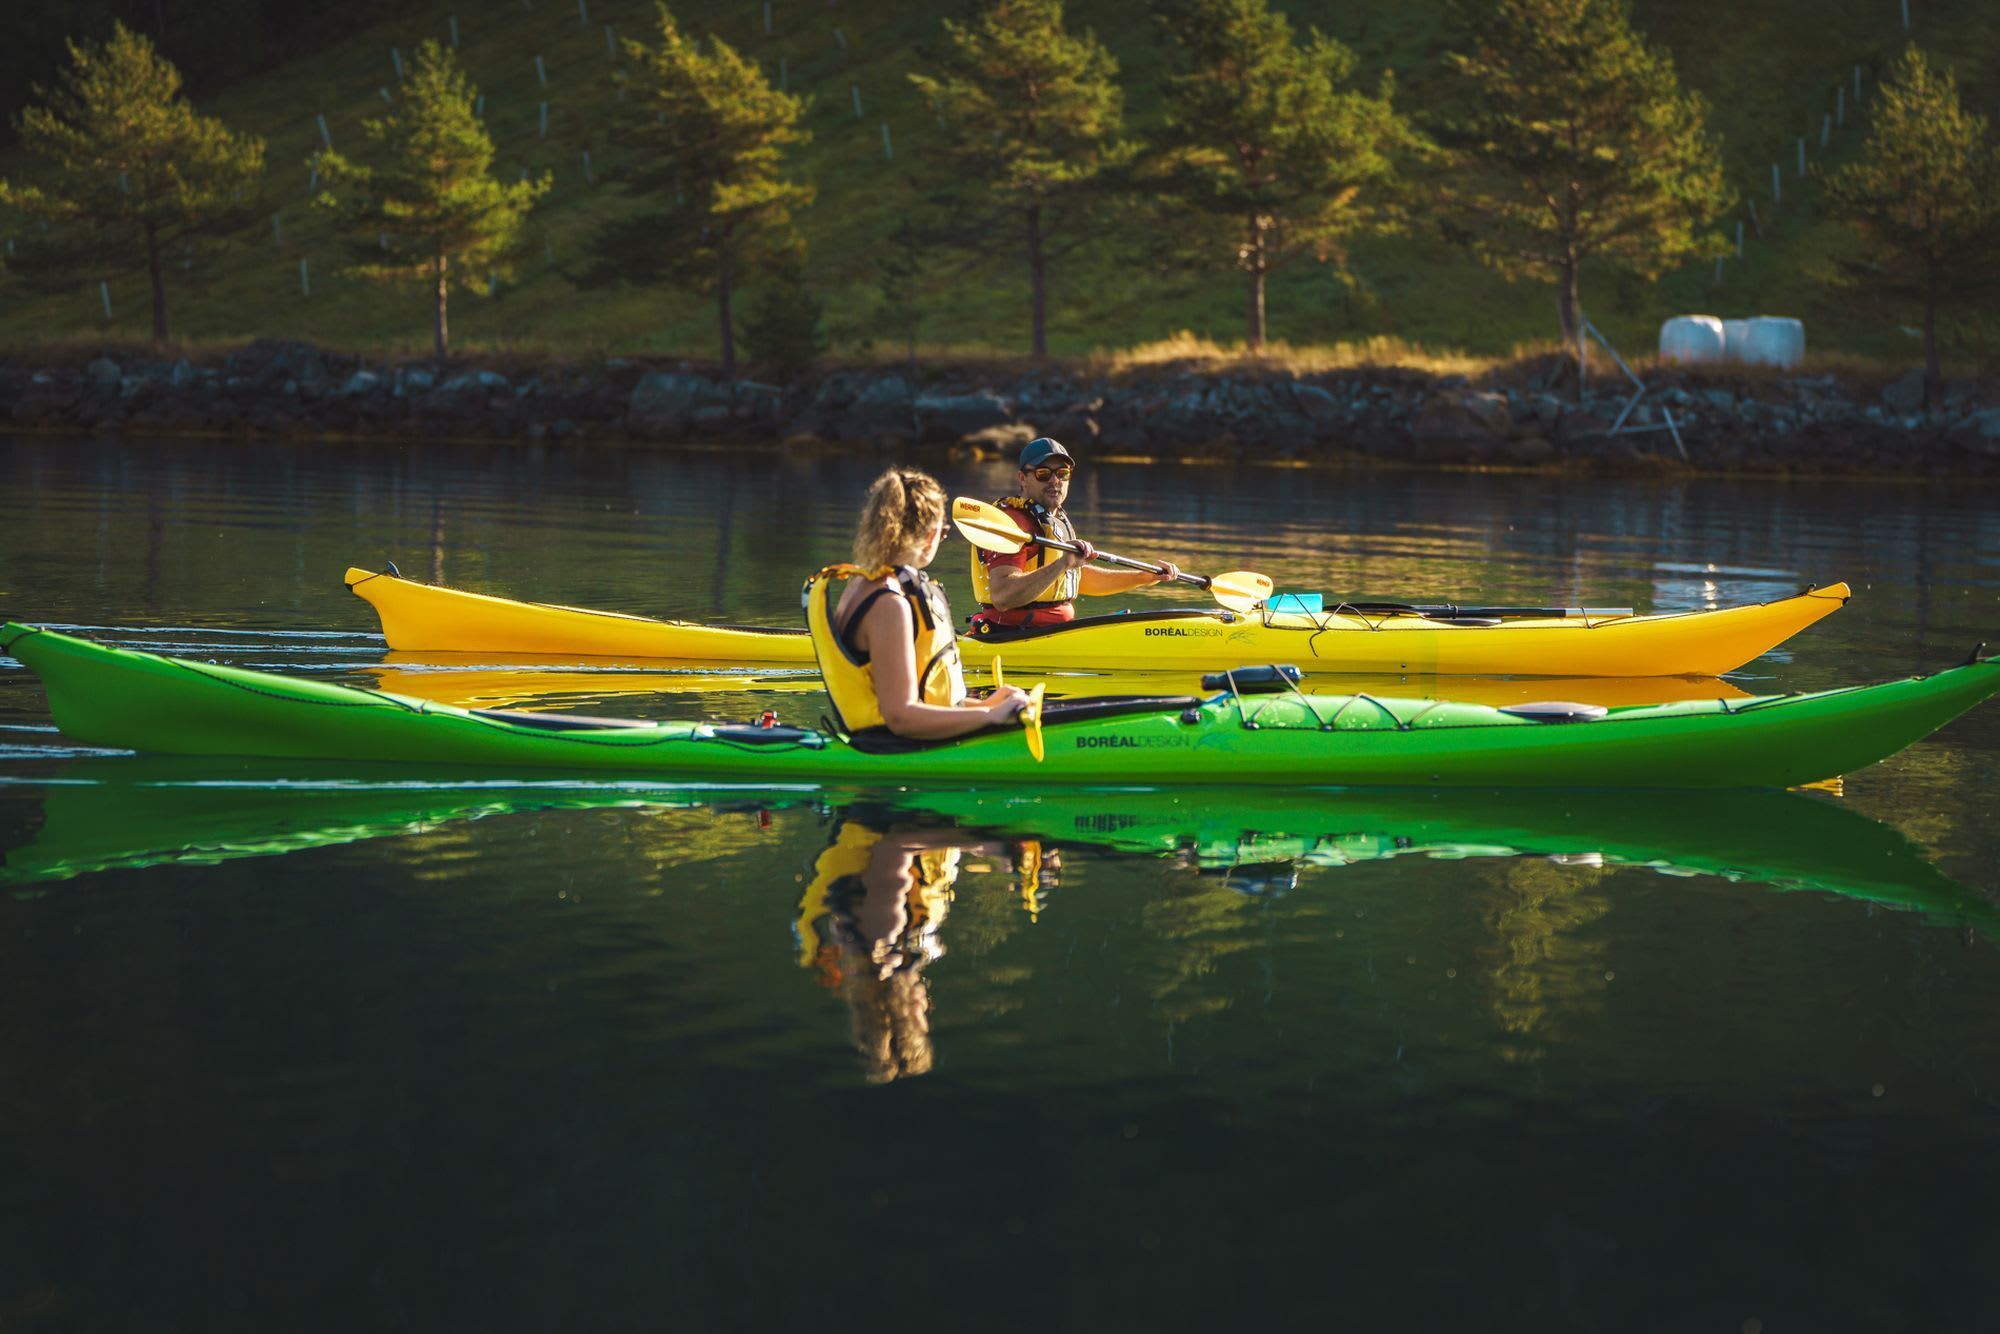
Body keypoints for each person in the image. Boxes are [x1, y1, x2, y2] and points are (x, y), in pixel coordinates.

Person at [803, 467, 1031, 740]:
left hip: (899, 741)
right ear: (930, 536)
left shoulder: (864, 584)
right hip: (889, 751)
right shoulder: (889, 605)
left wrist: (987, 704)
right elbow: (900, 717)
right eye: (944, 533)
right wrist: (990, 716)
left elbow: (924, 701)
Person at [967, 436, 1184, 632]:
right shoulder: (1013, 523)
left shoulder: (1053, 520)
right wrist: (1062, 564)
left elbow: (1075, 581)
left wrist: (1143, 577)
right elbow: (1003, 596)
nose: (1055, 481)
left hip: (1054, 632)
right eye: (1043, 474)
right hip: (1011, 635)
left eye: (1062, 474)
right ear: (1022, 478)